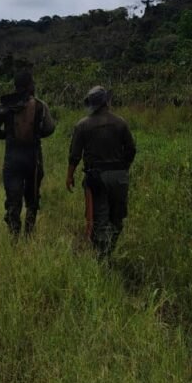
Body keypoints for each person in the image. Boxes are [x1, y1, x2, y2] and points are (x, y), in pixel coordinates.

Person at [66, 86, 136, 259]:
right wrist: (123, 169)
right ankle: (107, 253)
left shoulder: (82, 125)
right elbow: (131, 150)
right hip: (119, 177)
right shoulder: (121, 123)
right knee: (117, 219)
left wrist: (69, 176)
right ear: (106, 102)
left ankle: (103, 259)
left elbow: (74, 156)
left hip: (97, 178)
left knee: (100, 221)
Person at [0, 69, 56, 237]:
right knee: (33, 198)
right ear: (29, 85)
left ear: (16, 86)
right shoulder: (40, 105)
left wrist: (8, 136)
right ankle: (29, 233)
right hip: (34, 157)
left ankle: (14, 235)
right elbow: (49, 128)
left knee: (13, 198)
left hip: (13, 157)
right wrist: (36, 135)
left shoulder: (4, 105)